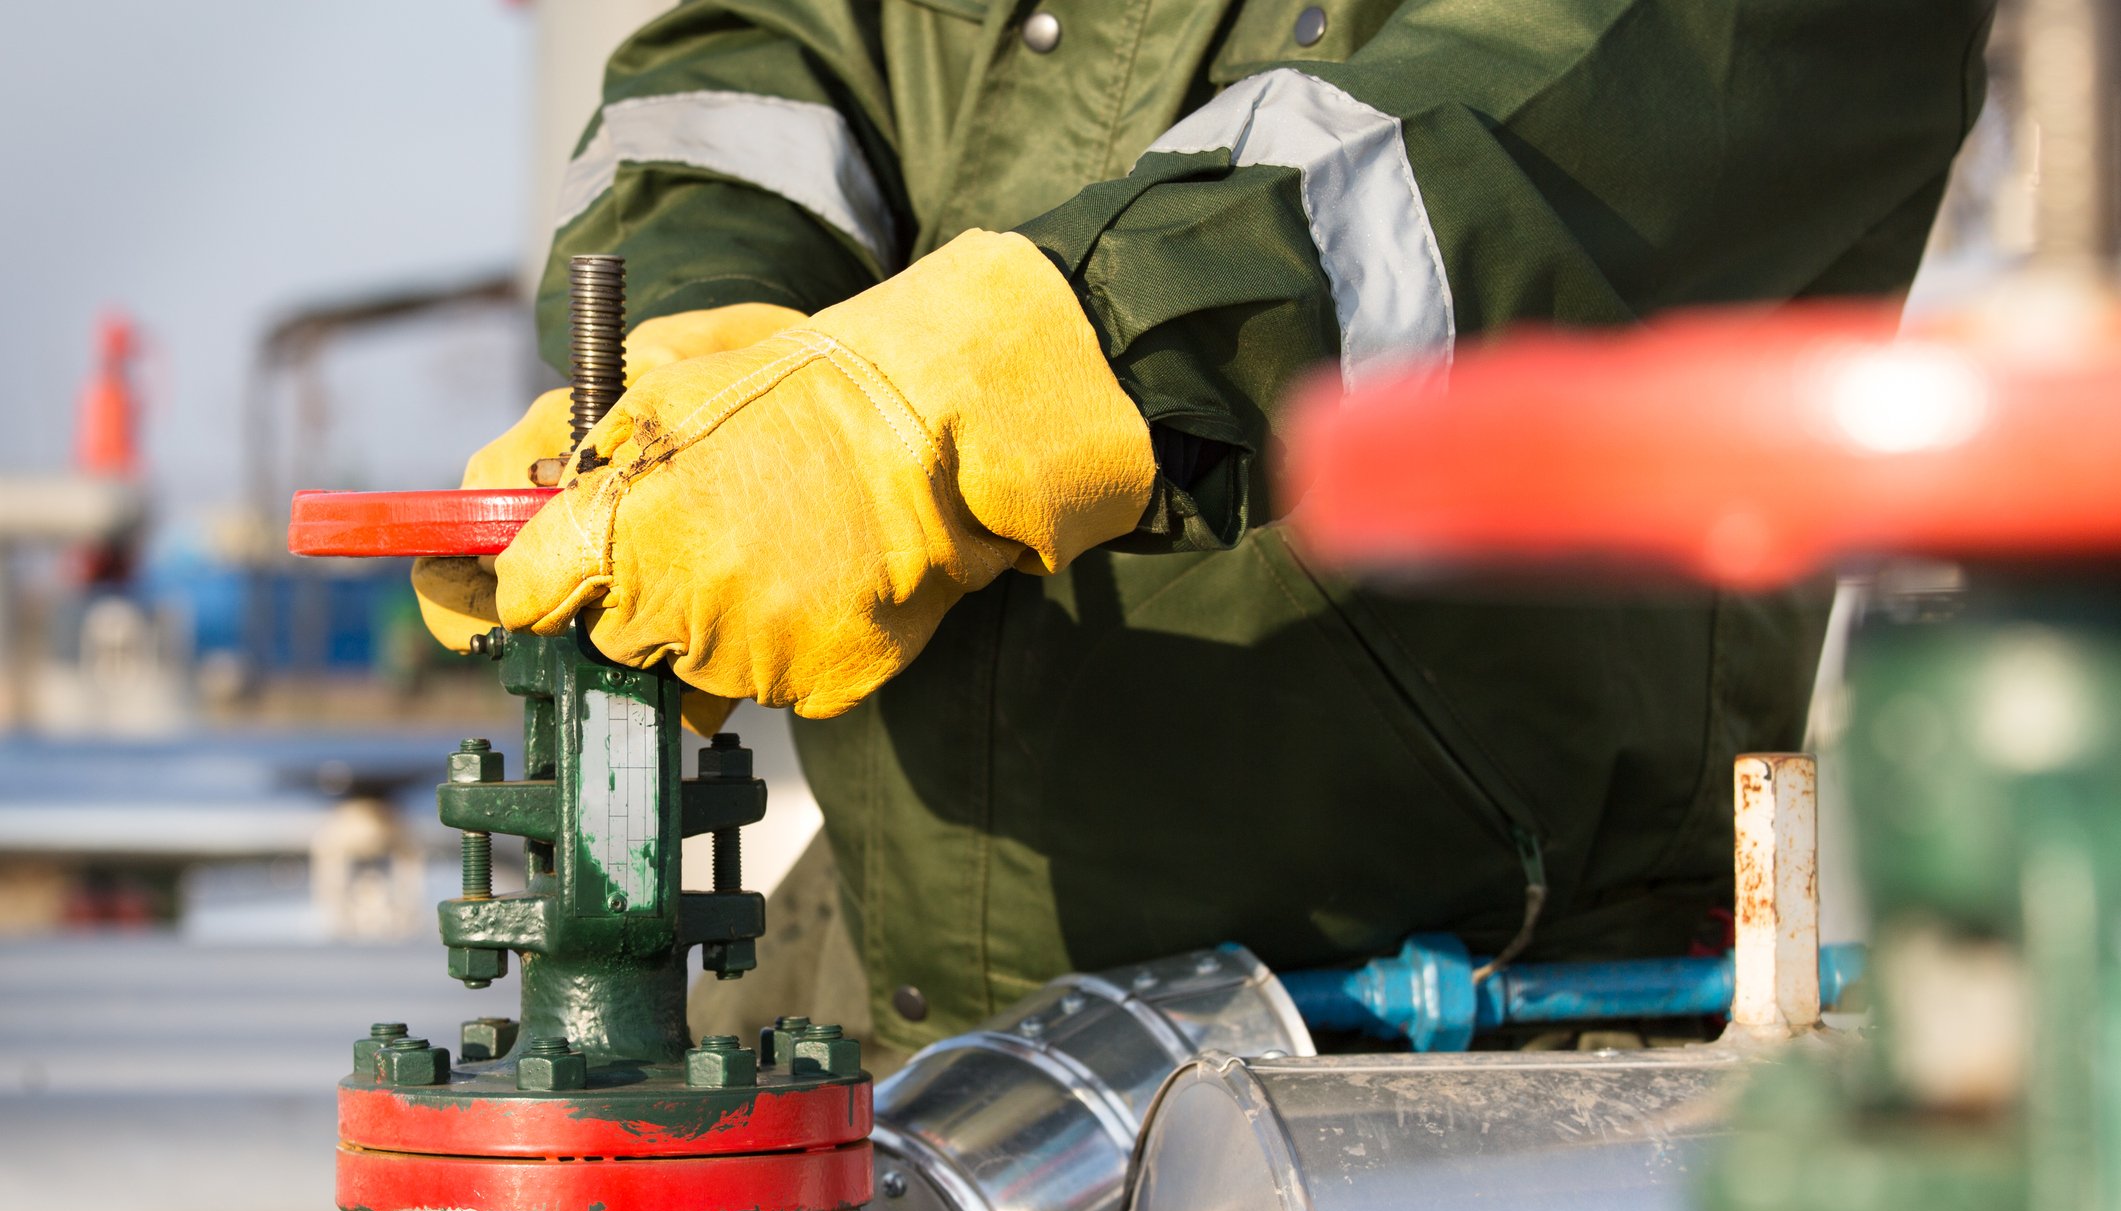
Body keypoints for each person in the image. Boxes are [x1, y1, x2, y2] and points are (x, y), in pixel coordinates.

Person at [416, 0, 1994, 1057]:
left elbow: (1555, 127)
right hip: (884, 1009)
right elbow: (767, 62)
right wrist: (715, 355)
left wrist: (1028, 368)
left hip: (1449, 1071)